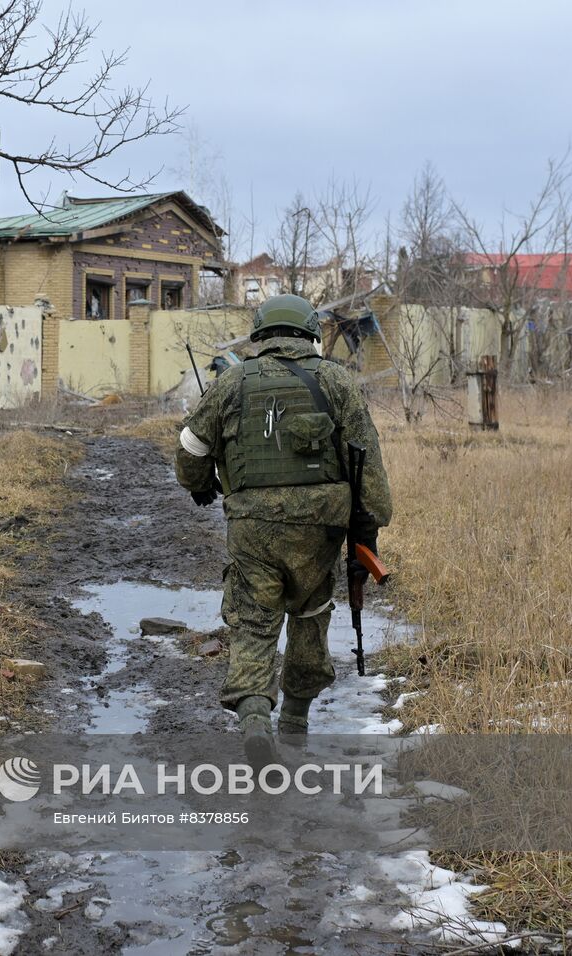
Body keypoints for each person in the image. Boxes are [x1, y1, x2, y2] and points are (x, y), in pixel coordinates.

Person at [174, 294, 391, 764]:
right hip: (319, 530)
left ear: (261, 335)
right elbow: (366, 461)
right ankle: (294, 723)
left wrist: (200, 485)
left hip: (253, 529)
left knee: (254, 623)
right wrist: (368, 532)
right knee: (311, 615)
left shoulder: (231, 382)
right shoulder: (336, 380)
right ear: (309, 334)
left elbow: (190, 446)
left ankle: (255, 718)